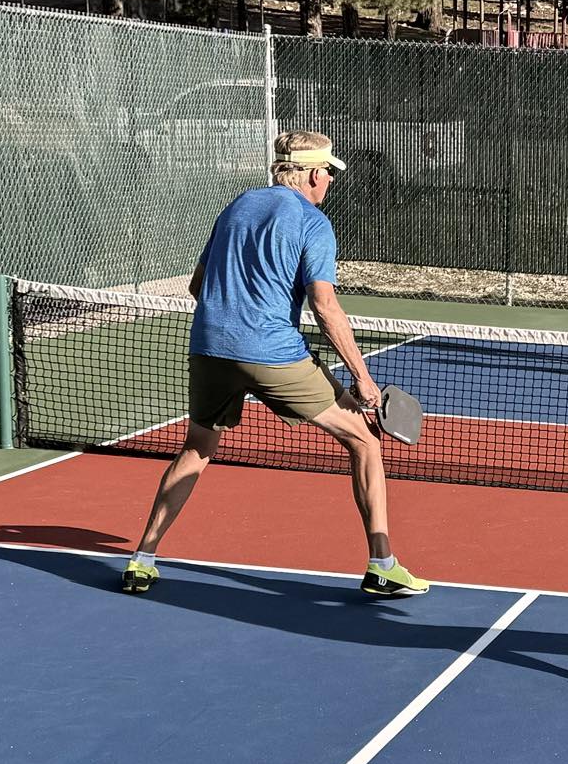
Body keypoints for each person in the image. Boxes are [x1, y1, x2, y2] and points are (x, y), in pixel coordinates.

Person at [119, 131, 429, 600]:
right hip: (273, 356)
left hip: (208, 348)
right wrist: (363, 380)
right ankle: (383, 565)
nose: (328, 180)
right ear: (308, 174)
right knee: (364, 441)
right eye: (326, 172)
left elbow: (199, 285)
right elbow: (325, 307)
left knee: (198, 448)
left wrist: (237, 318)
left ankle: (142, 559)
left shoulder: (238, 206)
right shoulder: (313, 222)